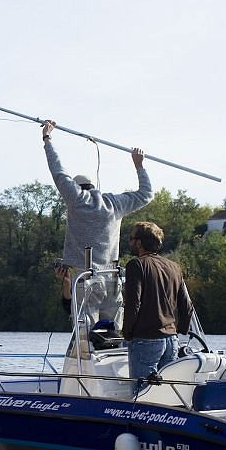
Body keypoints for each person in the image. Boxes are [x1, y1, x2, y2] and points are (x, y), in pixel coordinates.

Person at [41, 120, 153, 325]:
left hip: (85, 280)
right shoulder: (115, 203)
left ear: (77, 187)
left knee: (87, 340)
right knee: (112, 337)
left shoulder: (76, 199)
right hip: (112, 280)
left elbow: (58, 172)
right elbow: (146, 194)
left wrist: (47, 139)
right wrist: (139, 165)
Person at [122, 221, 193, 392]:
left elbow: (134, 303)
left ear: (139, 242)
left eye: (131, 238)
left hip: (146, 339)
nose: (130, 242)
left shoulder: (136, 265)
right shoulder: (174, 267)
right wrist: (181, 330)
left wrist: (127, 333)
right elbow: (187, 305)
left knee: (142, 394)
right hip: (171, 340)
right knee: (165, 394)